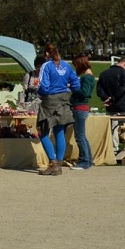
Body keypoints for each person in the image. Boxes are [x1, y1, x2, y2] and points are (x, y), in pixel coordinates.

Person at [35, 43, 80, 176]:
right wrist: (68, 90)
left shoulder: (46, 66)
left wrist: (41, 93)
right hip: (64, 99)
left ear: (46, 54)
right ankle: (58, 165)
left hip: (49, 101)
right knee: (59, 132)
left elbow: (44, 85)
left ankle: (53, 163)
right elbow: (76, 83)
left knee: (42, 132)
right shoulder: (67, 66)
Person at [96, 56, 125, 152]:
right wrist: (113, 98)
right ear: (124, 64)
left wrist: (106, 98)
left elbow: (99, 90)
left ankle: (114, 149)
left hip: (111, 106)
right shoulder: (124, 73)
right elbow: (124, 88)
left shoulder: (103, 74)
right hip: (124, 105)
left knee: (113, 128)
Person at [69, 54, 95, 170]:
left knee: (79, 137)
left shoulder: (86, 77)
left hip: (79, 108)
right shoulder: (89, 77)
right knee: (82, 136)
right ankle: (88, 160)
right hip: (82, 108)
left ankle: (84, 161)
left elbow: (84, 93)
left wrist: (73, 87)